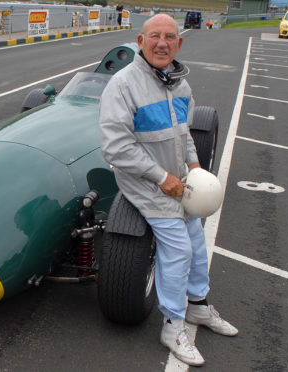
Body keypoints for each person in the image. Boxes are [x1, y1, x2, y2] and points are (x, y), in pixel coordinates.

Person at [99, 14, 238, 366]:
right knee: (177, 252)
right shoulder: (123, 84)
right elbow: (116, 147)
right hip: (148, 187)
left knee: (196, 245)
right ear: (141, 41)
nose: (162, 43)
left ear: (179, 43)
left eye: (170, 37)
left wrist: (192, 165)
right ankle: (173, 325)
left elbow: (184, 134)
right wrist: (161, 177)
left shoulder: (180, 84)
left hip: (179, 184)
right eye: (155, 36)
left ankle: (199, 307)